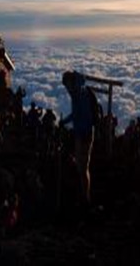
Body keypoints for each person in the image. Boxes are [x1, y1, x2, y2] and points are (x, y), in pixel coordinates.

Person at [60, 71, 98, 208]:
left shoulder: (80, 94)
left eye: (68, 86)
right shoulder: (76, 92)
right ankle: (82, 193)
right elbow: (76, 114)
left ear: (72, 82)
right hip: (80, 134)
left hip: (85, 134)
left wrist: (69, 124)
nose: (67, 89)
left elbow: (83, 116)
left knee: (83, 167)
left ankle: (86, 198)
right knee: (80, 166)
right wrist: (65, 122)